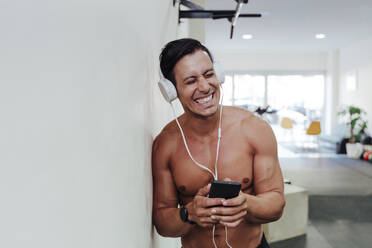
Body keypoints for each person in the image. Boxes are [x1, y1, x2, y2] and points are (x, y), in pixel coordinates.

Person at [152, 38, 285, 248]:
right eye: (190, 81)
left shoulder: (254, 129)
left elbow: (276, 204)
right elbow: (162, 222)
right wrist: (189, 213)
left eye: (208, 74)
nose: (204, 87)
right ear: (171, 91)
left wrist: (246, 204)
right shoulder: (166, 145)